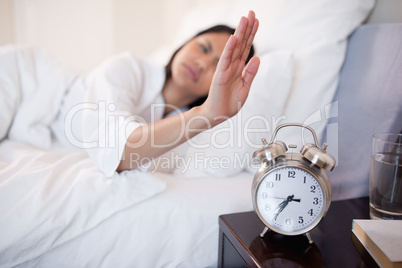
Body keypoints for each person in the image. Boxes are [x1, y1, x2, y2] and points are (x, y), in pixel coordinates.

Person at [52, 10, 260, 176]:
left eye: (217, 65)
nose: (202, 63)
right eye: (203, 48)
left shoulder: (191, 131)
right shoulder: (127, 68)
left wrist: (208, 115)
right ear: (186, 42)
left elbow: (134, 161)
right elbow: (115, 153)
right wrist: (203, 115)